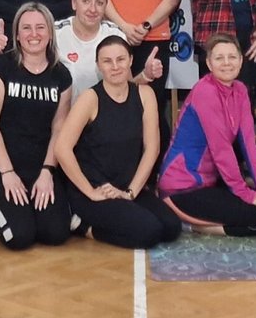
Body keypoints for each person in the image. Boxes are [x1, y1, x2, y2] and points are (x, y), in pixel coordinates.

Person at [55, 37, 181, 249]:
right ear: (98, 65)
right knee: (148, 232)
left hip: (125, 187)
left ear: (131, 60)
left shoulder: (145, 94)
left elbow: (152, 148)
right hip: (96, 189)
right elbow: (62, 149)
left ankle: (121, 209)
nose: (115, 66)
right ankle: (84, 226)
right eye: (107, 61)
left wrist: (130, 192)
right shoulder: (89, 98)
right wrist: (90, 192)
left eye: (120, 59)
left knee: (171, 227)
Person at [0, 2, 75, 250]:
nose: (34, 34)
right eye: (27, 28)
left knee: (55, 234)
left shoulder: (61, 75)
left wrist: (47, 171)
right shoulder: (2, 67)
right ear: (18, 35)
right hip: (2, 164)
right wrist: (7, 173)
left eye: (40, 27)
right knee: (20, 237)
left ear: (50, 33)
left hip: (40, 165)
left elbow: (59, 128)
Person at [157, 35, 256, 236]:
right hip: (181, 187)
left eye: (232, 57)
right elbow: (221, 150)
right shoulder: (205, 91)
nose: (226, 63)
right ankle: (189, 225)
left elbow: (248, 144)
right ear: (209, 63)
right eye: (219, 58)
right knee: (255, 217)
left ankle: (196, 220)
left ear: (241, 60)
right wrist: (244, 192)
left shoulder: (240, 90)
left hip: (209, 183)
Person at [31, 0, 163, 99]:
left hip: (103, 113)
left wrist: (145, 75)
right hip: (61, 111)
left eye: (99, 3)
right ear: (74, 2)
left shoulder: (115, 36)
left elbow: (126, 90)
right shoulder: (53, 34)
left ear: (106, 6)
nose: (93, 9)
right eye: (86, 1)